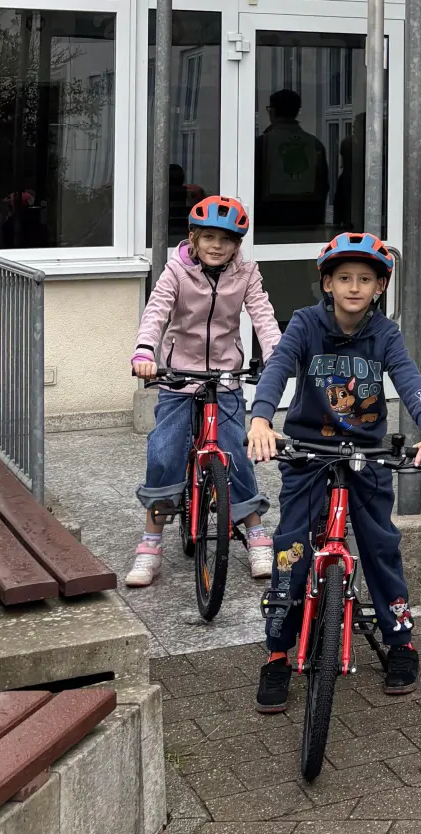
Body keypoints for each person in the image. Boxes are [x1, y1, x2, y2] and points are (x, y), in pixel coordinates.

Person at [245, 233, 421, 712]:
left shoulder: (386, 333)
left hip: (366, 454)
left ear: (379, 287)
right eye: (344, 279)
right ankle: (276, 652)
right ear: (327, 284)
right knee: (291, 550)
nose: (354, 287)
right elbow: (276, 370)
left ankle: (400, 643)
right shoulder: (305, 325)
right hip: (308, 452)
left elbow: (410, 378)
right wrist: (260, 418)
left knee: (381, 546)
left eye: (365, 279)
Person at [128, 196, 283, 589]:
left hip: (226, 376)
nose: (217, 246)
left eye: (227, 240)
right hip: (180, 376)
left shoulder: (247, 273)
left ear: (237, 245)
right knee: (164, 451)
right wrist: (146, 350)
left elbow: (263, 315)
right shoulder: (176, 271)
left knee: (235, 450)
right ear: (193, 238)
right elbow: (157, 311)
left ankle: (254, 530)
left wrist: (279, 353)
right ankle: (151, 542)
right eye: (209, 237)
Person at [254, 89, 331, 240]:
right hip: (307, 219)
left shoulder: (262, 143)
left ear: (272, 112)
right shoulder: (314, 144)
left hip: (268, 221)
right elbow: (323, 186)